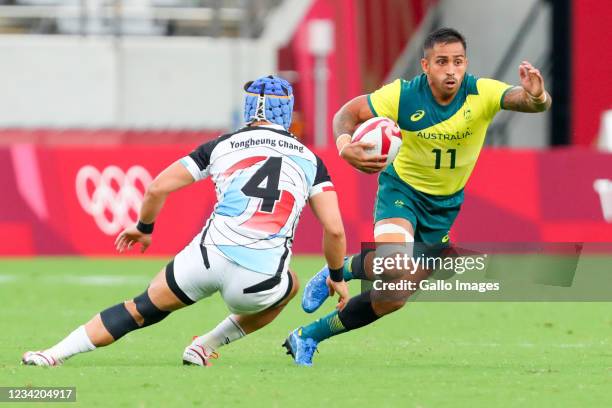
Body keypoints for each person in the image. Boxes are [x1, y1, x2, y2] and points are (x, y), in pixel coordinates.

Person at [22, 75, 349, 367]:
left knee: (141, 308)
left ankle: (53, 354)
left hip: (206, 259)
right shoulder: (310, 160)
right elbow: (334, 229)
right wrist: (336, 275)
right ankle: (205, 346)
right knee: (289, 284)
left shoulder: (221, 146)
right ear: (288, 112)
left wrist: (143, 228)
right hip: (258, 279)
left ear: (248, 109)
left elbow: (156, 188)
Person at [284, 28, 552, 366]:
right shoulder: (402, 95)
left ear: (466, 64)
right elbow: (346, 115)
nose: (451, 70)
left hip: (445, 206)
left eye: (458, 62)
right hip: (402, 193)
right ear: (425, 65)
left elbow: (529, 101)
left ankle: (308, 335)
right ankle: (338, 271)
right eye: (442, 62)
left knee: (393, 298)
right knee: (396, 266)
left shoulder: (481, 93)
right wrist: (344, 147)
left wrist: (539, 96)